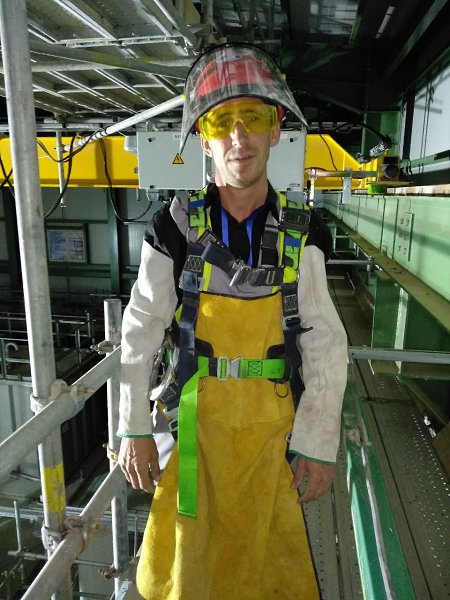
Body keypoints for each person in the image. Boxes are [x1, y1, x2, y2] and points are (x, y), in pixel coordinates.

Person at [118, 43, 347, 600]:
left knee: (268, 568)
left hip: (272, 437)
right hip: (194, 437)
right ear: (204, 138)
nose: (239, 137)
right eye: (222, 122)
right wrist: (134, 429)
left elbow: (324, 341)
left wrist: (318, 442)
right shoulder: (173, 228)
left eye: (254, 118)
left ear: (276, 129)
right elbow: (139, 333)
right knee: (188, 571)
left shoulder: (304, 232)